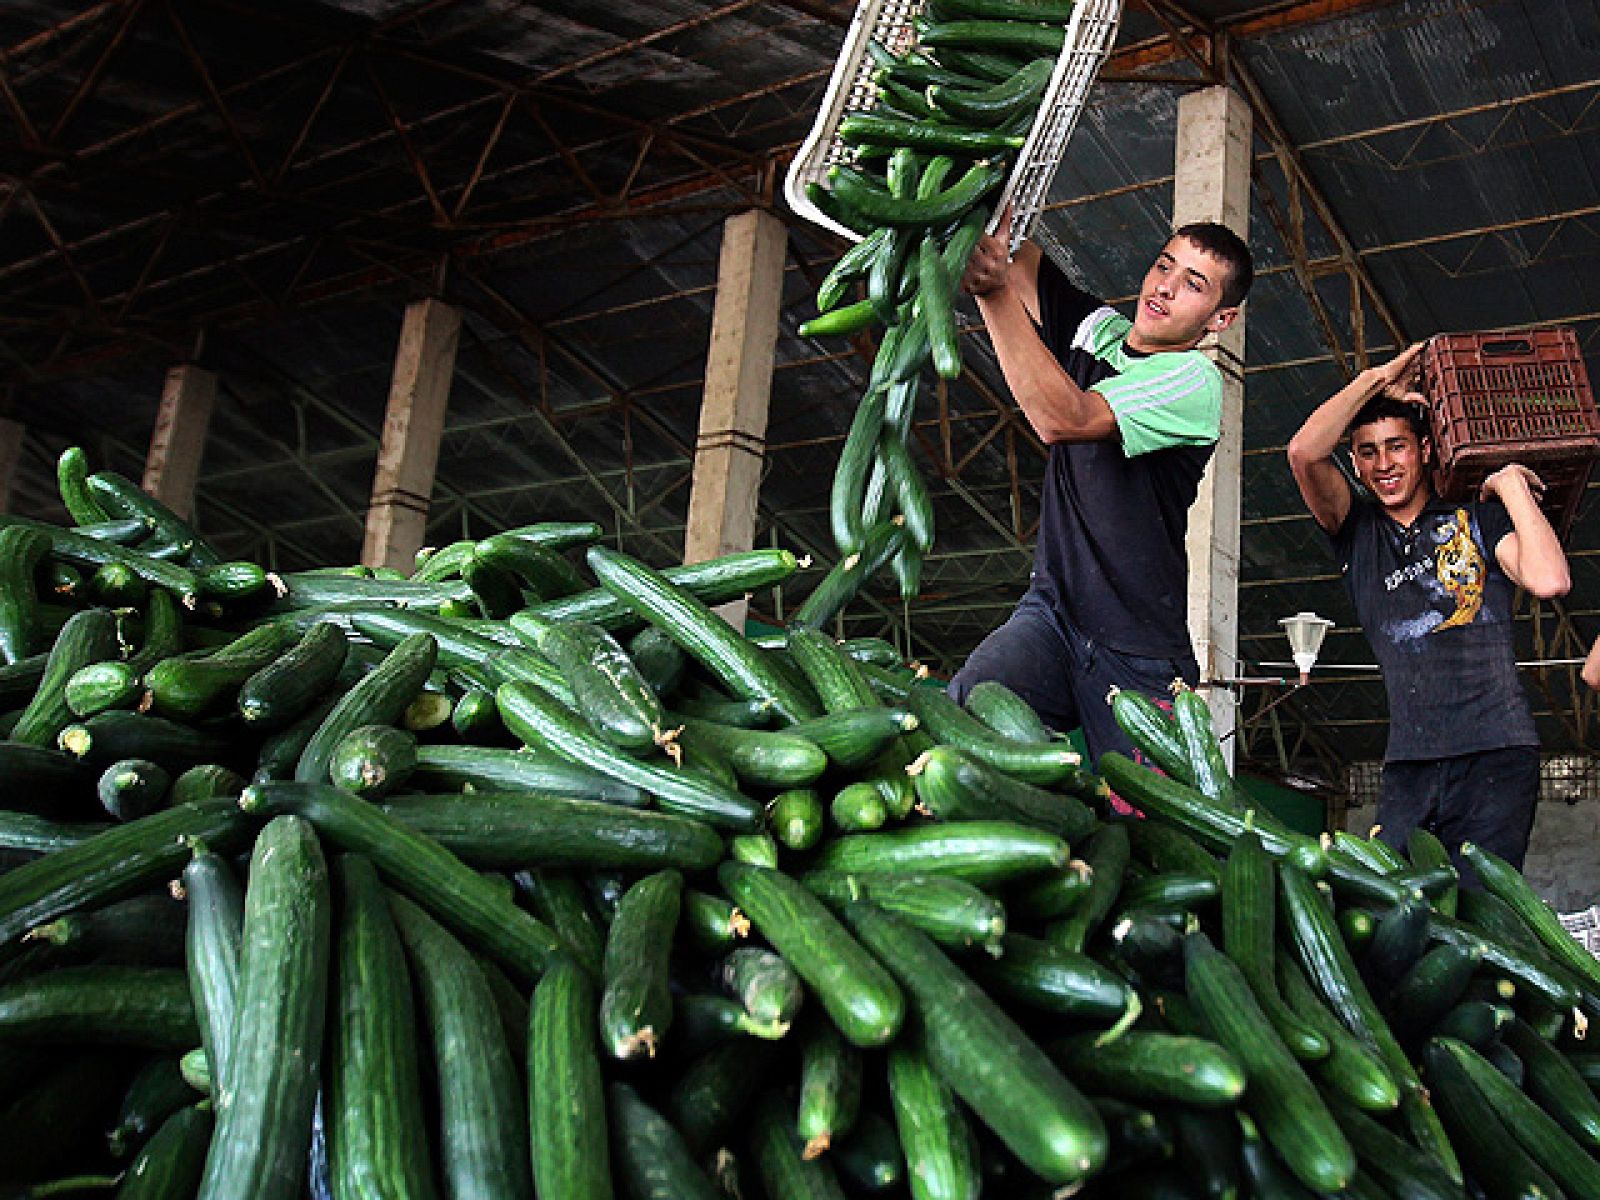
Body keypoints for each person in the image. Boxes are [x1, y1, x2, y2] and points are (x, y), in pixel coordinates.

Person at [948, 211, 1253, 766]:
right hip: (1053, 617)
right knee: (971, 708)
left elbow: (1064, 418)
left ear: (1220, 319)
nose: (1164, 286)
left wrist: (992, 295)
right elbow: (1015, 249)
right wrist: (976, 193)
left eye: (1194, 284)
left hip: (1138, 653)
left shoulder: (1193, 382)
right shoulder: (1096, 330)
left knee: (1148, 831)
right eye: (1165, 266)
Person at [1286, 342, 1571, 880]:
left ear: (1425, 449)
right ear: (1354, 463)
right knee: (1397, 911)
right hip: (1409, 765)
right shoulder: (1357, 533)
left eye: (1397, 446)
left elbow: (1549, 579)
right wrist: (1378, 378)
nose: (1384, 464)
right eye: (1368, 452)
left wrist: (1510, 486)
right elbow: (1303, 452)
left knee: (1480, 916)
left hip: (1498, 754)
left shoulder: (1478, 523)